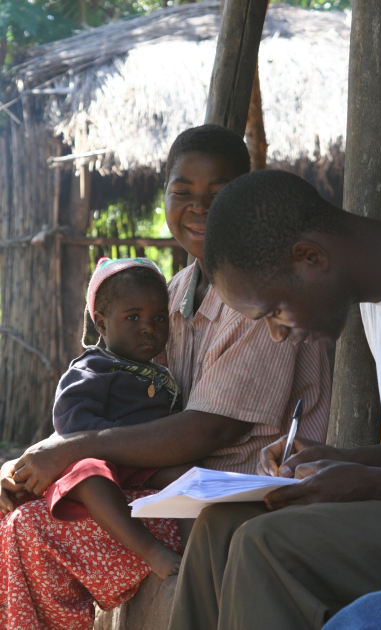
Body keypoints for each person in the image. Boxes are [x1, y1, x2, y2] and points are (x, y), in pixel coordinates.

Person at [0, 128, 330, 630]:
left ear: (247, 196)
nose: (198, 208)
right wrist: (32, 463)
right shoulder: (172, 293)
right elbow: (132, 412)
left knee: (33, 531)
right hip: (170, 494)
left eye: (218, 195)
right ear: (165, 194)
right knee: (12, 512)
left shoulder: (261, 294)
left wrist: (68, 452)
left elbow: (212, 430)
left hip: (237, 502)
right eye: (182, 193)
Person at [166, 169, 381, 630]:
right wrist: (341, 459)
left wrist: (371, 484)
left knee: (265, 545)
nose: (277, 335)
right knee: (219, 528)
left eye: (275, 312)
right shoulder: (376, 300)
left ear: (310, 258)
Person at [42, 256, 191, 580]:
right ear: (101, 323)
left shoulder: (162, 372)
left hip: (147, 461)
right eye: (133, 316)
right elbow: (71, 423)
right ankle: (150, 549)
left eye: (159, 317)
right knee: (90, 476)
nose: (148, 327)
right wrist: (120, 441)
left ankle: (198, 551)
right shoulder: (93, 367)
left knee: (192, 478)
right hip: (102, 460)